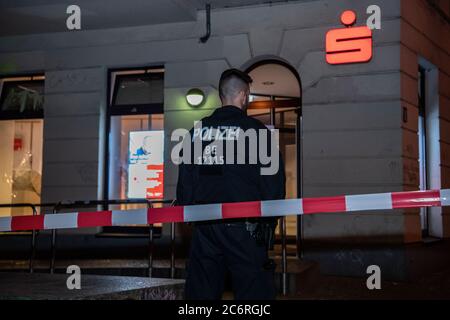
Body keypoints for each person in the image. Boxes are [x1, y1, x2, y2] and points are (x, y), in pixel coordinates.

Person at [176, 68, 286, 300]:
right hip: (246, 229)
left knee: (202, 295)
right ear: (244, 96)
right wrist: (269, 221)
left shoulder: (197, 132)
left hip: (205, 229)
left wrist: (189, 213)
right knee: (253, 294)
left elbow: (185, 183)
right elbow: (274, 184)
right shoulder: (257, 132)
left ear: (221, 95)